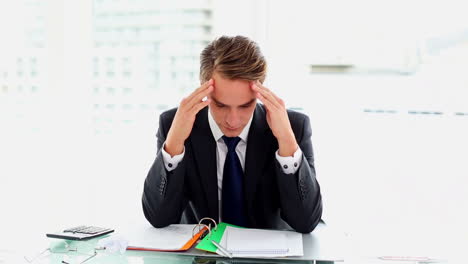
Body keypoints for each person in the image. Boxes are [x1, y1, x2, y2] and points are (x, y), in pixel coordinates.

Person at [142, 35, 322, 233]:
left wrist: (287, 142)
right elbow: (158, 218)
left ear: (260, 93)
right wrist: (174, 143)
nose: (233, 120)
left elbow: (306, 222)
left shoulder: (294, 127)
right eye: (220, 105)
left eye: (246, 106)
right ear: (204, 90)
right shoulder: (174, 125)